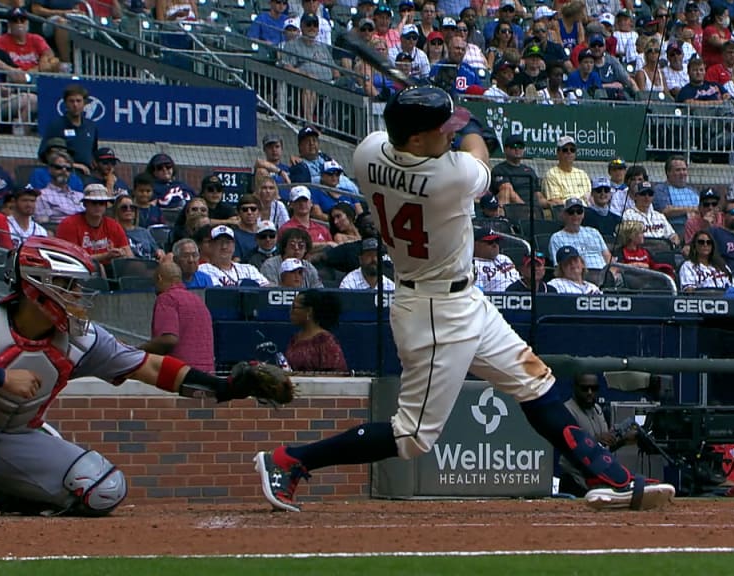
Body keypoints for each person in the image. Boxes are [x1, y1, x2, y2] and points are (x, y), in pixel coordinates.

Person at [254, 86, 673, 513]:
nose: (447, 135)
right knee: (412, 436)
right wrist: (470, 122)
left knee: (536, 382)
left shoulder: (368, 151)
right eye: (439, 130)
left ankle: (608, 477)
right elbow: (476, 148)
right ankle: (292, 461)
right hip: (435, 312)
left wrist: (442, 117)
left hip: (463, 297)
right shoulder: (448, 177)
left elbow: (426, 139)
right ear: (416, 139)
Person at [0, 236, 287, 517]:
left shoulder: (83, 339)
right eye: (69, 285)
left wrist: (225, 388)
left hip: (12, 437)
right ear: (36, 285)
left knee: (104, 489)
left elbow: (150, 367)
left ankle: (5, 489)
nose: (78, 294)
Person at [558, 373, 635, 497]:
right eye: (585, 388)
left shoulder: (597, 409)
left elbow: (603, 450)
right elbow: (569, 447)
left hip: (597, 481)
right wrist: (596, 440)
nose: (589, 392)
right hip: (575, 481)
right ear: (575, 388)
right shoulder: (567, 411)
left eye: (594, 389)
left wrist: (623, 440)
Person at [139, 259, 215, 372]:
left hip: (181, 375)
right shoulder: (198, 301)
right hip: (207, 374)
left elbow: (169, 339)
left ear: (159, 278)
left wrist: (139, 350)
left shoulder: (166, 298)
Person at [55, 184, 132, 265]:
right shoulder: (69, 224)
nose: (98, 206)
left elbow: (129, 254)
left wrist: (123, 254)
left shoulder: (113, 225)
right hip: (81, 270)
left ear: (106, 205)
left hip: (111, 270)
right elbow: (71, 258)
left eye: (101, 203)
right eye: (94, 203)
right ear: (85, 204)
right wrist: (105, 256)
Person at [38, 84, 98, 173]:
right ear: (65, 103)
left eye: (78, 101)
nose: (75, 105)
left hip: (87, 175)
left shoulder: (91, 126)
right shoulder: (56, 126)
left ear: (84, 103)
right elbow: (44, 155)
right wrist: (73, 165)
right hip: (65, 173)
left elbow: (93, 153)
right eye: (71, 101)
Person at [284, 289, 348, 373]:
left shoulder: (325, 341)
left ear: (309, 311)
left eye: (294, 307)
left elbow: (338, 373)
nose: (291, 312)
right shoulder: (295, 339)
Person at [549, 197, 612, 271]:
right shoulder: (557, 238)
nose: (575, 215)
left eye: (579, 211)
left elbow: (608, 257)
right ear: (564, 215)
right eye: (571, 212)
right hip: (578, 275)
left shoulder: (593, 232)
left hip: (603, 274)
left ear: (583, 214)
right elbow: (558, 267)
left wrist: (611, 272)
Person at [198, 226, 272, 287]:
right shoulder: (202, 270)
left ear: (234, 246)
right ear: (211, 246)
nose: (224, 246)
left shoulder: (248, 269)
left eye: (228, 242)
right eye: (219, 242)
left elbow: (267, 289)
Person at [0, 8, 60, 73]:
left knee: (54, 61)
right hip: (14, 74)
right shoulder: (1, 40)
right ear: (9, 24)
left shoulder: (36, 38)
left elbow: (49, 53)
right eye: (15, 21)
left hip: (35, 72)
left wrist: (44, 59)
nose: (19, 23)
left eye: (22, 20)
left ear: (27, 22)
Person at [260, 227, 324, 288]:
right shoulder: (270, 265)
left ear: (306, 249)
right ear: (285, 247)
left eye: (301, 246)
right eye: (292, 245)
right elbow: (269, 290)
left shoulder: (309, 268)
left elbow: (319, 290)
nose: (296, 248)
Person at [34, 150, 84, 225]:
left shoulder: (81, 196)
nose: (64, 171)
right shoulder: (42, 195)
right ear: (50, 169)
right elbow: (44, 226)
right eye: (58, 167)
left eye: (68, 169)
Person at [653, 156, 700, 232]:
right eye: (678, 170)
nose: (682, 173)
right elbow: (665, 210)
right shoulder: (660, 189)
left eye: (684, 169)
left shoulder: (693, 191)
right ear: (668, 172)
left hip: (696, 228)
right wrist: (691, 209)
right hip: (673, 228)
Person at [542, 136, 591, 207]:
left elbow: (589, 199)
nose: (569, 152)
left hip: (585, 211)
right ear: (558, 153)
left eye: (572, 150)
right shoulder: (552, 174)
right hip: (565, 212)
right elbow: (555, 202)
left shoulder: (582, 174)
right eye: (565, 150)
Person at [490, 134, 536, 206]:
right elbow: (507, 190)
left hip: (534, 210)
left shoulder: (530, 171)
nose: (517, 149)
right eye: (513, 146)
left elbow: (538, 195)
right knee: (505, 192)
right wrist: (526, 209)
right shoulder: (499, 170)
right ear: (505, 149)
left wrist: (550, 204)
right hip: (514, 209)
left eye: (520, 147)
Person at [113, 195, 162, 261]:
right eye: (124, 207)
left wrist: (160, 253)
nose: (129, 209)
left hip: (150, 264)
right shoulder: (114, 232)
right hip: (130, 266)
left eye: (132, 207)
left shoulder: (144, 231)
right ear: (117, 211)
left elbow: (157, 250)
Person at [472, 226, 520, 292]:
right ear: (476, 245)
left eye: (496, 241)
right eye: (490, 242)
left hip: (521, 293)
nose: (495, 245)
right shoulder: (473, 265)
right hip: (499, 298)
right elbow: (478, 293)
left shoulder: (504, 258)